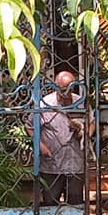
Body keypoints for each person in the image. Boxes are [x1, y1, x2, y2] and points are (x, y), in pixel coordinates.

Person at [27, 70, 93, 206]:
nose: (66, 94)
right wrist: (40, 145)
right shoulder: (44, 104)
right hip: (52, 164)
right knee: (50, 202)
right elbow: (30, 127)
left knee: (76, 203)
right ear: (55, 87)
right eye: (62, 90)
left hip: (75, 162)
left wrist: (85, 134)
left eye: (69, 89)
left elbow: (92, 122)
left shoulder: (81, 102)